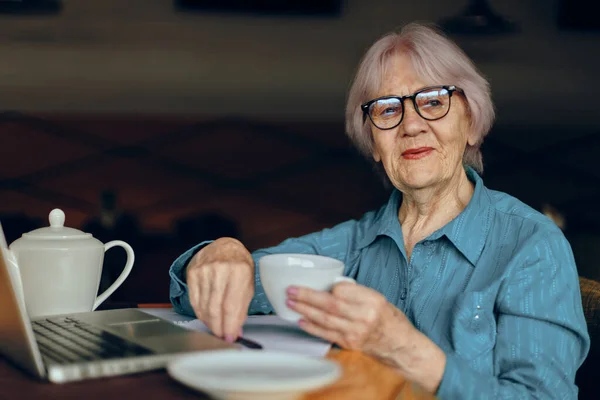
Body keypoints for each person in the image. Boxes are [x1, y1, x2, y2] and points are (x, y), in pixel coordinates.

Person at [168, 23, 590, 398]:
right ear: (373, 143)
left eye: (433, 101)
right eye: (388, 109)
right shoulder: (349, 246)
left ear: (473, 122)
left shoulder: (531, 245)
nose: (410, 124)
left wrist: (402, 347)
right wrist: (219, 253)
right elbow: (210, 292)